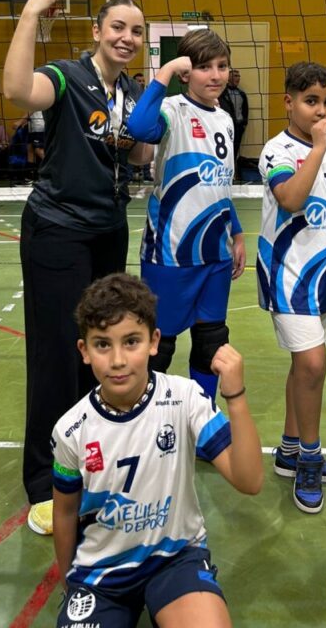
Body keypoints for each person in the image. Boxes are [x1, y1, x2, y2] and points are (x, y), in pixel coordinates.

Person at [3, 0, 154, 537]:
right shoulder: (68, 76)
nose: (127, 37)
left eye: (136, 31)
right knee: (55, 356)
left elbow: (138, 153)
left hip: (108, 230)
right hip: (57, 231)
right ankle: (44, 483)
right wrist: (31, 12)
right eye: (118, 27)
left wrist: (155, 108)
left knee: (101, 351)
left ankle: (90, 458)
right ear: (97, 31)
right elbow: (18, 89)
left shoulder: (133, 90)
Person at [51, 273, 262, 628]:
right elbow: (65, 513)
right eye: (103, 344)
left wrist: (236, 397)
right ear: (84, 351)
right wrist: (70, 584)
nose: (118, 360)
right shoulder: (71, 430)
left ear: (154, 341)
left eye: (131, 341)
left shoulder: (185, 398)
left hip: (175, 558)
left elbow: (250, 480)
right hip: (101, 575)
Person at [257, 61, 326, 515]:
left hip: (323, 276)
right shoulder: (277, 150)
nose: (320, 110)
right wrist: (319, 149)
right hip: (286, 274)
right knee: (314, 365)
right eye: (310, 101)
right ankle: (308, 457)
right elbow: (291, 199)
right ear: (289, 102)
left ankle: (288, 450)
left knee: (305, 369)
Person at [126, 30, 245, 400]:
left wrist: (237, 233)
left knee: (212, 340)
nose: (215, 75)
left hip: (215, 254)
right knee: (160, 344)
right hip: (171, 255)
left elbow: (220, 184)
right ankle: (143, 415)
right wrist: (162, 74)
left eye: (222, 66)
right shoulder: (172, 110)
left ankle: (200, 415)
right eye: (204, 67)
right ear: (185, 74)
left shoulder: (225, 118)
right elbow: (139, 128)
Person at [218, 68, 249, 168]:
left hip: (238, 126)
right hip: (225, 126)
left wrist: (244, 123)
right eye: (235, 76)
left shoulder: (241, 94)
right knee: (225, 148)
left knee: (235, 149)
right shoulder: (221, 93)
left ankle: (232, 170)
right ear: (229, 77)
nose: (238, 78)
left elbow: (245, 110)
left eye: (238, 76)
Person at [130, 72, 152, 182]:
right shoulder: (128, 93)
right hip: (131, 127)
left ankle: (147, 174)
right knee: (129, 150)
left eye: (143, 81)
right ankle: (128, 176)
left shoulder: (147, 93)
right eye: (139, 81)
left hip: (145, 126)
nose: (141, 83)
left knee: (145, 149)